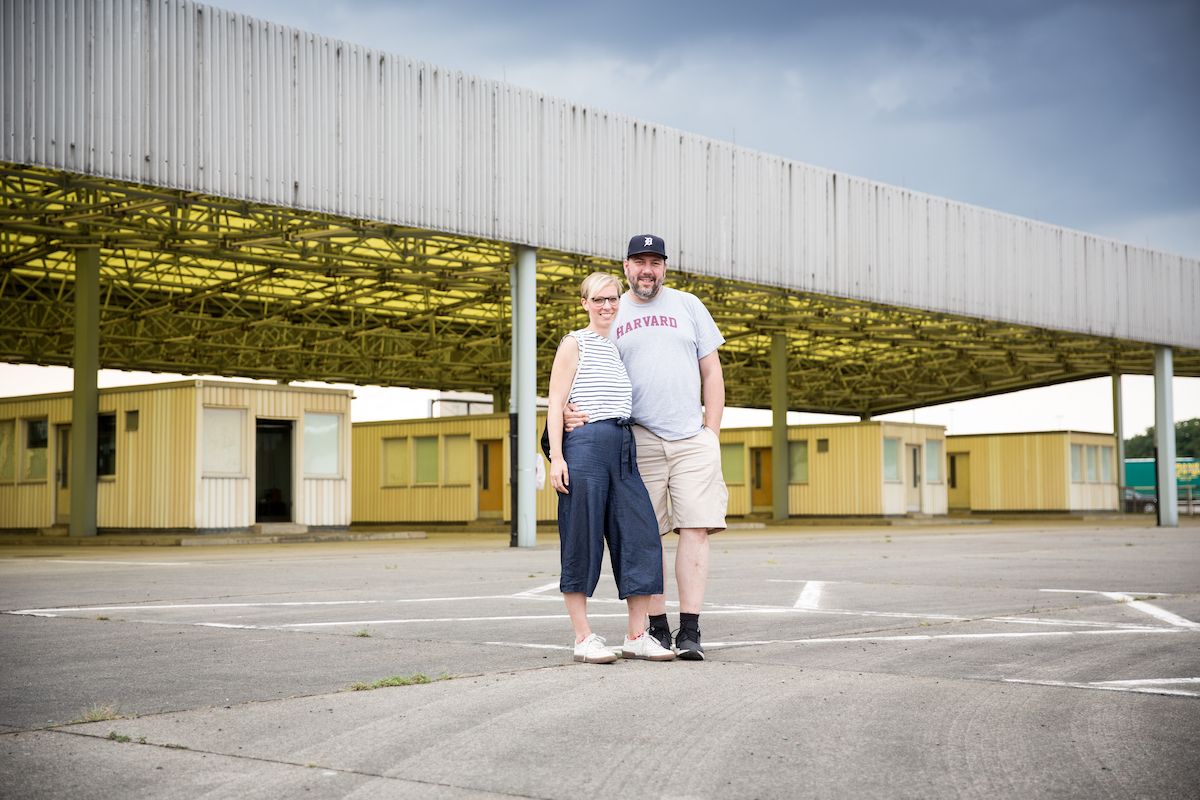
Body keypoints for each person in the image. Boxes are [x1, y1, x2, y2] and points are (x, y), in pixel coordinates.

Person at [565, 235, 726, 660]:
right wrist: (567, 413)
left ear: (665, 268)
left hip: (693, 437)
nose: (647, 269)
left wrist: (712, 430)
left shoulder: (689, 305)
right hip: (637, 440)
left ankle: (689, 632)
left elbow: (712, 372)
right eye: (639, 261)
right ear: (626, 267)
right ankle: (654, 631)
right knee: (644, 536)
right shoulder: (611, 312)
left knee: (695, 528)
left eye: (655, 262)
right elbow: (583, 372)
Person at [547, 271, 676, 664]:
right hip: (586, 447)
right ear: (584, 303)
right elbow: (555, 404)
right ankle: (583, 638)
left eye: (613, 299)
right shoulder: (574, 343)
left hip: (623, 446)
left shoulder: (618, 349)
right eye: (598, 299)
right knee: (581, 538)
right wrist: (556, 457)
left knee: (641, 536)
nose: (606, 306)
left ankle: (636, 635)